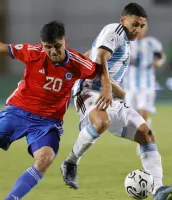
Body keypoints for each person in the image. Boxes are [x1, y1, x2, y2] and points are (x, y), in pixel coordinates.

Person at [61, 3, 172, 200]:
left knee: (147, 134)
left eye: (141, 26)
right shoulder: (115, 30)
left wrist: (116, 90)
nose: (137, 30)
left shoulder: (125, 42)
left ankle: (158, 190)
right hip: (90, 91)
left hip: (110, 95)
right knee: (101, 122)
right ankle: (70, 162)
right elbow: (100, 57)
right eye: (134, 24)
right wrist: (110, 87)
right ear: (123, 20)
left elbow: (92, 56)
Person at [0, 20, 111, 200]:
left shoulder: (77, 63)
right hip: (17, 111)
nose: (53, 51)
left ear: (65, 41)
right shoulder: (33, 52)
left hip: (47, 122)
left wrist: (107, 87)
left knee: (45, 159)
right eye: (48, 47)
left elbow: (98, 69)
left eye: (57, 46)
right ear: (42, 45)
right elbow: (4, 48)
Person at [122, 25, 166, 154]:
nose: (140, 29)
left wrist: (157, 63)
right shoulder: (127, 43)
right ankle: (146, 129)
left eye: (143, 27)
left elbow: (161, 57)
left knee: (143, 110)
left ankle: (144, 142)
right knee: (132, 117)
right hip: (130, 85)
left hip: (147, 84)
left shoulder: (152, 43)